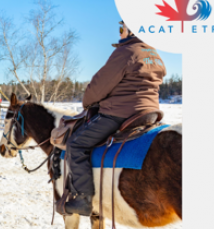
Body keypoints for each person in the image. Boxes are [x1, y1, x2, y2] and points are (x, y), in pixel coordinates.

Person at [64, 21, 166, 216]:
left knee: (76, 145)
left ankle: (83, 199)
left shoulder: (126, 52)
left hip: (120, 113)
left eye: (122, 29)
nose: (120, 34)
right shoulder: (155, 54)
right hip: (150, 112)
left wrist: (88, 102)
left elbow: (99, 87)